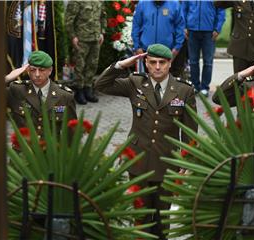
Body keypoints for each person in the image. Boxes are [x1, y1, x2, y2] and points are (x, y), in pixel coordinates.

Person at [95, 44, 198, 239]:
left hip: (167, 163)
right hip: (138, 161)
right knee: (140, 219)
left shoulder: (184, 91)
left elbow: (190, 129)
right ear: (146, 63)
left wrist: (187, 159)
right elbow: (101, 85)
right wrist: (120, 65)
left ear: (169, 64)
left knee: (162, 220)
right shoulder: (135, 83)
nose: (157, 67)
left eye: (162, 63)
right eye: (153, 62)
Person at [6, 51, 77, 137]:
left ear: (50, 70)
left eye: (42, 70)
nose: (37, 74)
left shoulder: (64, 96)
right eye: (33, 70)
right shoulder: (17, 90)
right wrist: (7, 78)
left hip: (51, 149)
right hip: (23, 148)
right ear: (28, 70)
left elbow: (72, 131)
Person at [65, 1, 106, 104]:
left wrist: (102, 32)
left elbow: (103, 16)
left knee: (92, 64)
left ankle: (88, 89)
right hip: (81, 38)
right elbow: (69, 20)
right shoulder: (76, 1)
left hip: (95, 38)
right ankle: (79, 90)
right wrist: (73, 36)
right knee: (80, 66)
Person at [131, 0, 185, 76]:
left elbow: (180, 27)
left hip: (167, 52)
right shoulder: (142, 3)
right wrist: (137, 47)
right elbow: (136, 26)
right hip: (147, 51)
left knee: (166, 82)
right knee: (148, 81)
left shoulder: (175, 4)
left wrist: (176, 48)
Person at [183, 0, 226, 96]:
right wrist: (185, 26)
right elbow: (184, 10)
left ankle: (204, 87)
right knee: (193, 61)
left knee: (208, 62)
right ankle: (195, 86)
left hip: (209, 32)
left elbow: (221, 11)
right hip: (192, 31)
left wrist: (217, 29)